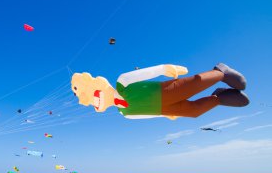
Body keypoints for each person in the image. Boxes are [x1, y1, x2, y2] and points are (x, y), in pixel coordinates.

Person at [71, 63, 249, 120]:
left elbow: (145, 73)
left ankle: (220, 72)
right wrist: (164, 115)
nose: (95, 102)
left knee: (194, 85)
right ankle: (219, 97)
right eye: (91, 103)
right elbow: (146, 115)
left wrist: (164, 68)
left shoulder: (122, 82)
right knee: (194, 112)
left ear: (100, 85)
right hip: (164, 109)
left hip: (164, 92)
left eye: (93, 95)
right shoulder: (125, 113)